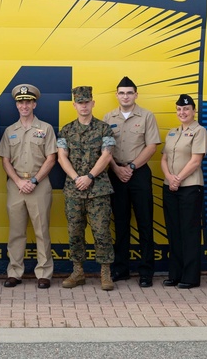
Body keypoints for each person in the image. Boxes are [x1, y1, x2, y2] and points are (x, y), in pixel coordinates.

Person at [0, 83, 58, 289]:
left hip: (38, 184)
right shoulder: (9, 131)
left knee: (42, 231)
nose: (24, 105)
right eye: (20, 102)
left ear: (34, 104)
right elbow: (5, 160)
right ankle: (14, 272)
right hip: (16, 185)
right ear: (16, 105)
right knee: (16, 232)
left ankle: (44, 273)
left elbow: (51, 158)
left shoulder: (46, 128)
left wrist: (33, 181)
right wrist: (19, 181)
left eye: (28, 102)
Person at [57, 86, 116, 291]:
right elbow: (61, 156)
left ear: (92, 103)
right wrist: (76, 178)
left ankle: (105, 273)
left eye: (86, 102)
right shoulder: (66, 130)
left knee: (101, 232)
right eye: (80, 102)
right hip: (74, 190)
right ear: (74, 105)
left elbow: (107, 155)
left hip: (98, 189)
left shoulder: (104, 129)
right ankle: (78, 271)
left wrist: (89, 177)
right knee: (75, 231)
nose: (83, 106)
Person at [104, 76, 160, 287]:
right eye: (121, 93)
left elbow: (152, 146)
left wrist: (132, 167)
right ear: (117, 95)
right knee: (120, 223)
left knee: (145, 223)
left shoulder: (146, 116)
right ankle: (121, 268)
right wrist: (117, 169)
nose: (125, 96)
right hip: (115, 172)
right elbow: (105, 150)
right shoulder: (108, 117)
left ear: (136, 95)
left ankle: (146, 272)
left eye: (129, 92)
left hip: (139, 173)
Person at [160, 93, 207, 289]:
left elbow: (196, 160)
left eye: (186, 109)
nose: (182, 112)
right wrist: (170, 178)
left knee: (189, 232)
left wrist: (178, 179)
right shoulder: (172, 132)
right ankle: (175, 274)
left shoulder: (199, 131)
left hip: (190, 187)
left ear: (193, 110)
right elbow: (163, 159)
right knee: (174, 232)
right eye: (179, 109)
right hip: (170, 186)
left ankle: (190, 277)